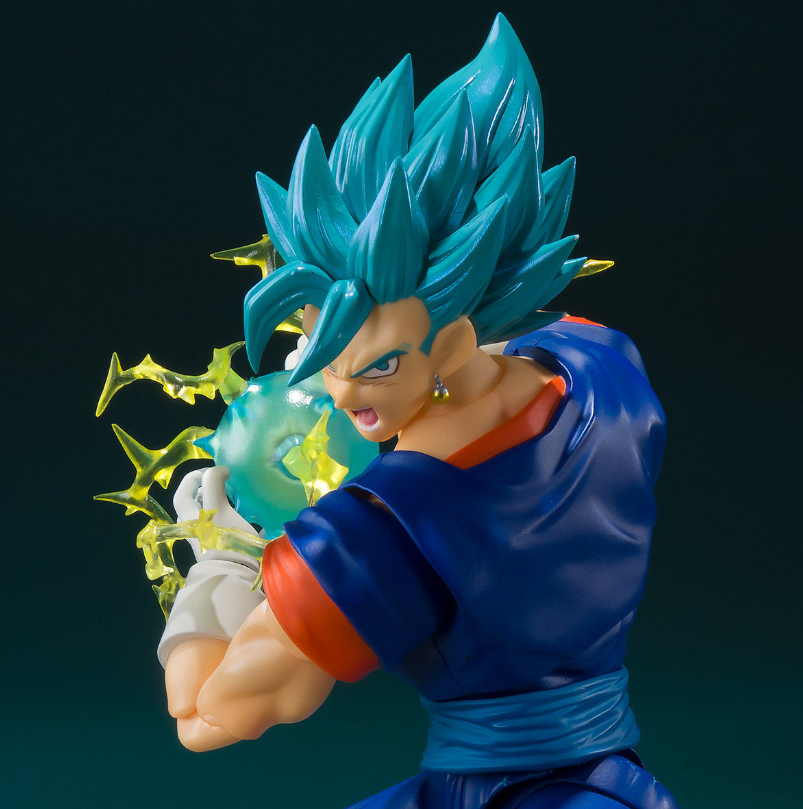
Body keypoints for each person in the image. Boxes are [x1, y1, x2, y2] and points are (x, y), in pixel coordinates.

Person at [158, 14, 677, 808]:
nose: (339, 394)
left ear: (456, 339)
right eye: (316, 351)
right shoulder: (603, 361)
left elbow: (205, 717)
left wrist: (222, 561)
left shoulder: (377, 533)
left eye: (376, 365)